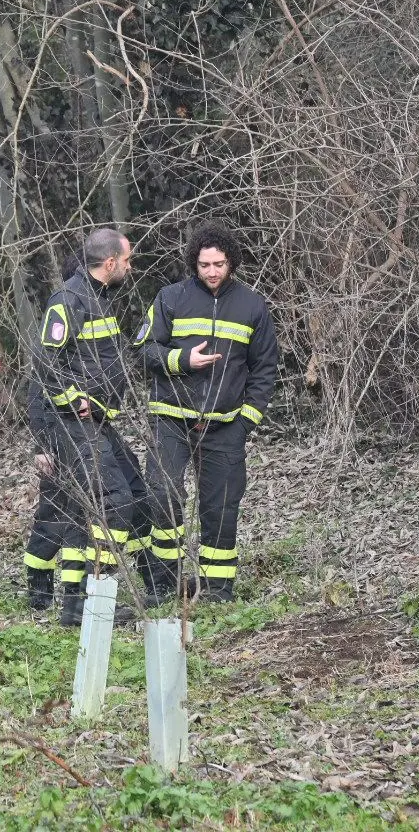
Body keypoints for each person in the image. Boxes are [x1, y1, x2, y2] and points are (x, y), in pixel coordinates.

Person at [138, 223, 278, 604]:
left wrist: (246, 421)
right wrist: (183, 359)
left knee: (221, 506)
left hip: (225, 426)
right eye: (204, 264)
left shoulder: (252, 305)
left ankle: (217, 590)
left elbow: (265, 369)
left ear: (231, 262)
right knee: (163, 493)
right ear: (193, 263)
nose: (212, 271)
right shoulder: (170, 297)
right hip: (170, 417)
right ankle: (162, 583)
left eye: (219, 263)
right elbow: (144, 351)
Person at [24, 253, 149, 616]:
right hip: (67, 427)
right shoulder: (68, 304)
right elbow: (42, 378)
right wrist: (44, 444)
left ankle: (81, 598)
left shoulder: (100, 303)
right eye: (126, 259)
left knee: (121, 494)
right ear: (108, 263)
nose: (131, 267)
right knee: (72, 507)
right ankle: (68, 596)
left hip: (94, 422)